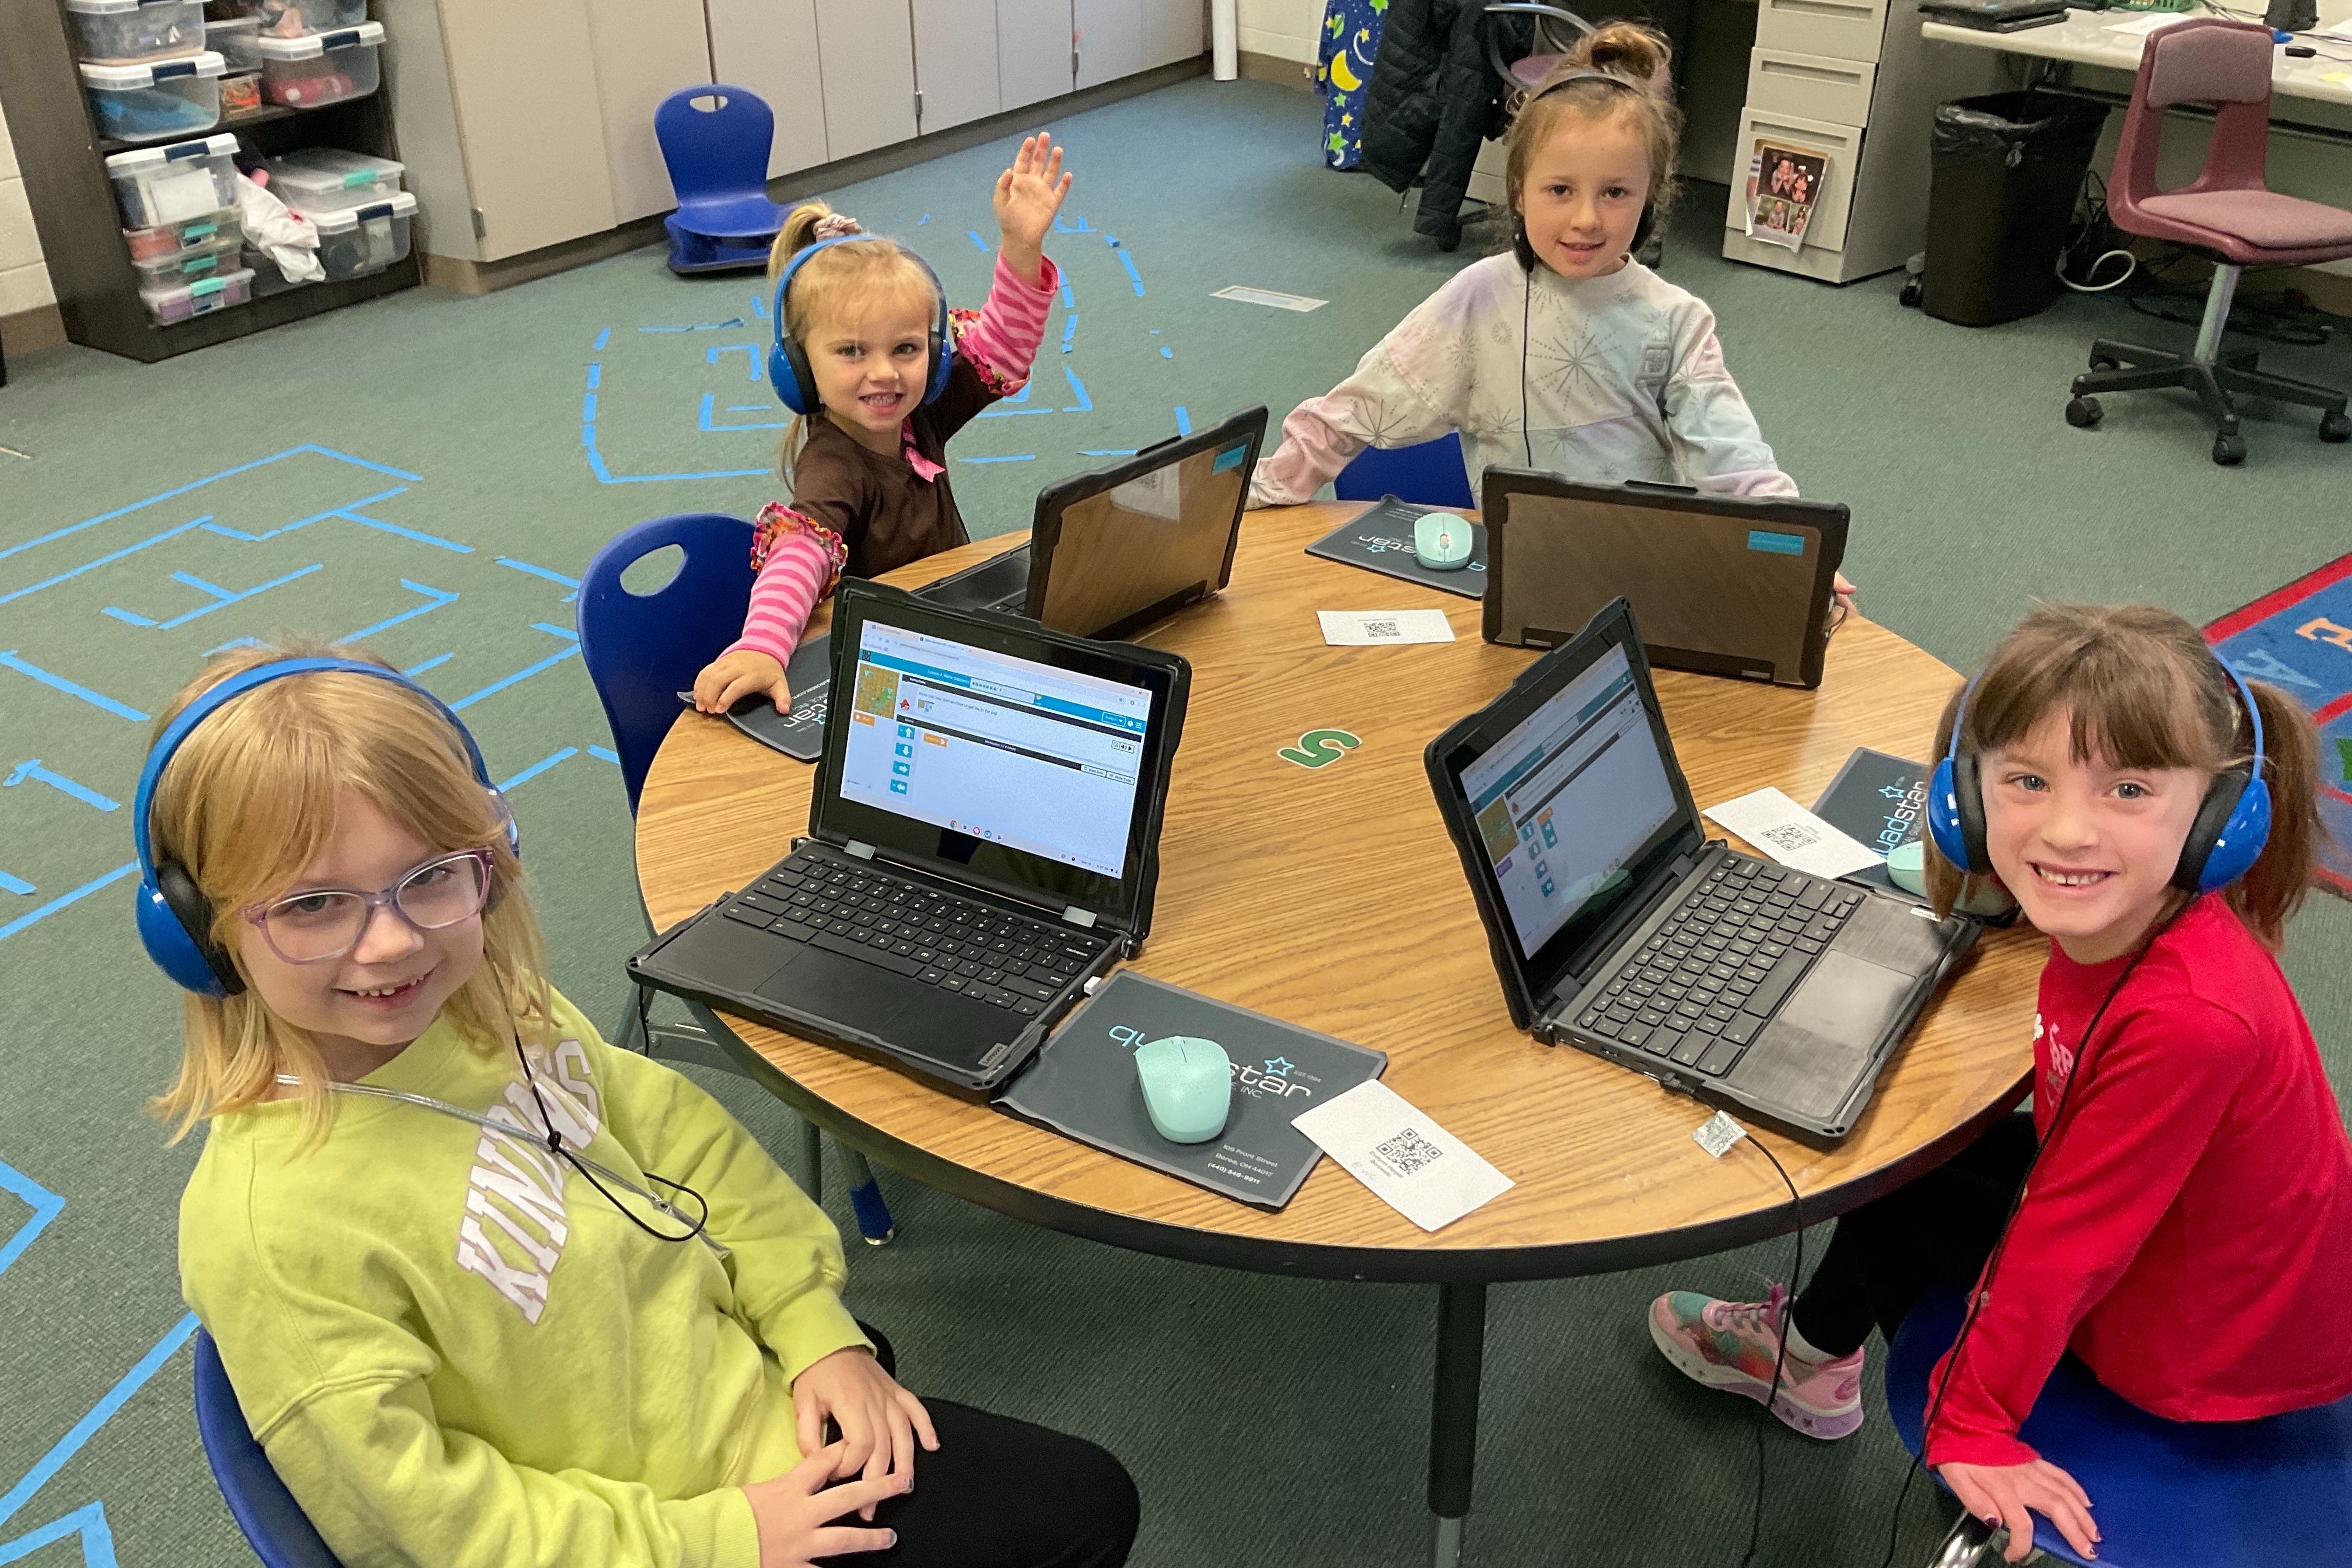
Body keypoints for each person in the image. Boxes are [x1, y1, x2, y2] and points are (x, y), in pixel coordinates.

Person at [159, 643, 1140, 1568]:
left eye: (430, 878)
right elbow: (431, 1520)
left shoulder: (497, 1013)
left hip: (730, 1399)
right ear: (202, 936)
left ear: (489, 865)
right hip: (671, 1535)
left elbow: (685, 1142)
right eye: (311, 905)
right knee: (1087, 1506)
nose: (391, 943)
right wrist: (719, 1538)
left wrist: (810, 1324)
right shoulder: (269, 1232)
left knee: (1025, 1466)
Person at [1647, 603, 2352, 1563]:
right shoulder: (2145, 911)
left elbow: (2067, 1244)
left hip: (2202, 1343)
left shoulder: (2188, 1021)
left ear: (2219, 820)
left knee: (1896, 1181)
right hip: (2197, 1242)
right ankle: (1809, 1352)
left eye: (2129, 789)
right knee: (1909, 1153)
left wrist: (1969, 1419)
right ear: (1964, 802)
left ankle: (1818, 1366)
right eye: (2026, 781)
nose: (2066, 829)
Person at [1250, 24, 1802, 509]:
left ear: (1650, 198)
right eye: (1560, 190)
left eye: (1615, 193)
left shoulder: (1678, 321)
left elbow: (1735, 459)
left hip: (1634, 564)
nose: (1586, 220)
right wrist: (1266, 488)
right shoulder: (1481, 296)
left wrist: (1795, 552)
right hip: (1513, 567)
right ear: (1519, 192)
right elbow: (1360, 406)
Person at [691, 135, 1070, 718]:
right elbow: (799, 553)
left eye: (906, 348)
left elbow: (1003, 351)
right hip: (891, 673)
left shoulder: (918, 411)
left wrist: (1022, 246)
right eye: (851, 351)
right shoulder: (833, 463)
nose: (885, 373)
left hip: (949, 623)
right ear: (799, 366)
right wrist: (763, 645)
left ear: (934, 355)